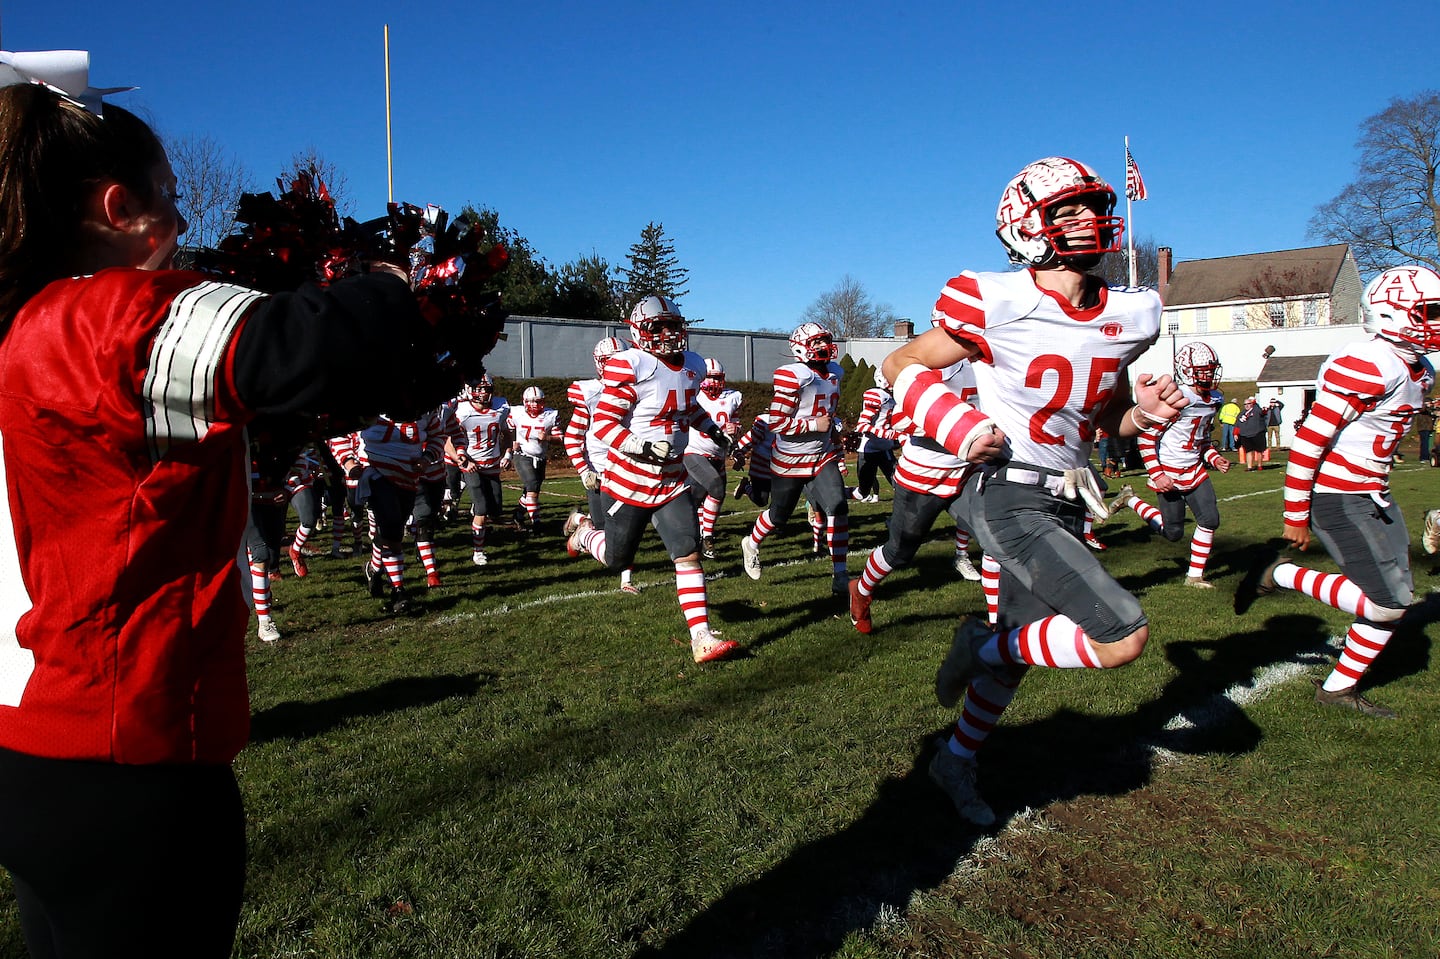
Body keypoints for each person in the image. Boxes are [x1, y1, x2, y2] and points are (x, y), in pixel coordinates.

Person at [0, 66, 503, 958]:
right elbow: (304, 346)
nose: (185, 222)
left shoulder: (23, 322)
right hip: (128, 756)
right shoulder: (99, 318)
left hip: (36, 747)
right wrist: (396, 281)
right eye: (169, 196)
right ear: (119, 206)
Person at [881, 156, 1185, 826]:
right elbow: (897, 361)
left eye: (1093, 206)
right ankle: (974, 647)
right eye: (1069, 209)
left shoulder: (1133, 315)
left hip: (1067, 495)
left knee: (1019, 649)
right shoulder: (995, 299)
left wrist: (1143, 416)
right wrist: (955, 423)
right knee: (1121, 633)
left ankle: (955, 756)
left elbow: (1103, 418)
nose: (1092, 220)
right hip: (1006, 492)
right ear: (1027, 226)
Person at [1239, 265, 1440, 718]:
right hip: (1339, 495)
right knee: (1390, 604)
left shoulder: (1418, 366)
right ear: (1389, 316)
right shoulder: (1369, 362)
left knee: (1396, 599)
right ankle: (1280, 574)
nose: (1437, 320)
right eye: (1428, 311)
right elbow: (1309, 443)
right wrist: (1295, 515)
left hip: (1375, 493)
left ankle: (1336, 690)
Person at [563, 296, 740, 664]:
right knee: (617, 558)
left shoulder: (692, 365)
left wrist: (714, 430)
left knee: (688, 552)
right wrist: (640, 447)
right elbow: (604, 425)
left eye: (673, 324)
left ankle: (701, 637)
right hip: (628, 480)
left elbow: (688, 407)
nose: (668, 333)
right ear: (638, 332)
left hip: (672, 480)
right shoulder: (630, 365)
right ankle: (583, 534)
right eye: (657, 326)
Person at [739, 322, 851, 596]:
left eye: (825, 341)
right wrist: (815, 425)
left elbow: (829, 415)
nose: (823, 347)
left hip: (821, 455)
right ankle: (751, 544)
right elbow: (777, 423)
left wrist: (835, 439)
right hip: (790, 459)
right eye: (816, 343)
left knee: (837, 504)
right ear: (800, 348)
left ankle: (840, 574)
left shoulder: (835, 373)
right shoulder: (793, 376)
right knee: (779, 515)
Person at [1112, 341, 1232, 588]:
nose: (1208, 376)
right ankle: (1130, 500)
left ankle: (1194, 576)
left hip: (1195, 472)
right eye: (1203, 371)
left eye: (1211, 370)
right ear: (1187, 370)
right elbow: (1146, 439)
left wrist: (1214, 457)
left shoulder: (1214, 398)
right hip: (1169, 472)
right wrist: (1158, 475)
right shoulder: (1177, 398)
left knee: (1210, 519)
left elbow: (1201, 440)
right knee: (1173, 532)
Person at [563, 335, 639, 593]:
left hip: (629, 467)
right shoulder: (591, 393)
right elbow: (572, 437)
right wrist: (584, 471)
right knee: (609, 532)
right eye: (611, 361)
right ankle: (583, 530)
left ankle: (626, 580)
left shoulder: (640, 388)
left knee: (627, 526)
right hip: (601, 470)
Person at [451, 375, 512, 566]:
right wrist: (461, 460)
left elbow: (507, 432)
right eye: (480, 389)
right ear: (470, 389)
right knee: (482, 508)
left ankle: (477, 514)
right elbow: (446, 439)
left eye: (487, 389)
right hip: (472, 464)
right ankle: (478, 551)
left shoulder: (501, 407)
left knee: (495, 510)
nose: (484, 393)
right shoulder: (461, 411)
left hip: (492, 465)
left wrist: (508, 453)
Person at [685, 358, 743, 558]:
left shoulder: (733, 397)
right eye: (710, 378)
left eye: (717, 378)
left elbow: (735, 425)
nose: (714, 383)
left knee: (699, 497)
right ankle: (708, 537)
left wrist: (734, 431)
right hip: (694, 451)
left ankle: (697, 536)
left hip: (717, 454)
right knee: (716, 488)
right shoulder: (693, 395)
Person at [508, 385, 562, 533]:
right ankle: (536, 523)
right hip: (523, 454)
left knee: (531, 492)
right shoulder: (516, 413)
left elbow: (560, 438)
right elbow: (507, 429)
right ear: (525, 402)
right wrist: (512, 442)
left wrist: (548, 437)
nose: (535, 405)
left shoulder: (550, 415)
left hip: (540, 457)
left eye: (538, 401)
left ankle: (518, 514)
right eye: (531, 401)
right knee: (532, 486)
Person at [851, 370, 899, 503]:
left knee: (901, 485)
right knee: (862, 493)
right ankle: (830, 496)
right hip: (869, 450)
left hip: (885, 449)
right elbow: (862, 425)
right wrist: (884, 433)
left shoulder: (892, 397)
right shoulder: (878, 395)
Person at [1236, 396, 1267, 470]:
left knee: (1259, 451)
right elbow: (1237, 424)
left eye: (1248, 403)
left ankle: (1259, 465)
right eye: (1245, 404)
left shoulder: (1257, 410)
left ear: (1252, 404)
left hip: (1257, 433)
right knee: (1248, 451)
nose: (1247, 405)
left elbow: (1262, 413)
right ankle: (1249, 467)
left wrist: (1264, 410)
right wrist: (1235, 433)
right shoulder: (1241, 413)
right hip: (1245, 435)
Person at [1414, 400, 1435, 464]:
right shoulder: (1421, 407)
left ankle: (1426, 456)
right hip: (1423, 427)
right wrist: (1426, 405)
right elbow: (1422, 410)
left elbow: (1433, 412)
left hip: (1428, 428)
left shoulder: (1429, 410)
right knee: (1424, 443)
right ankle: (1424, 457)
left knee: (1426, 443)